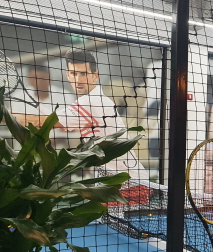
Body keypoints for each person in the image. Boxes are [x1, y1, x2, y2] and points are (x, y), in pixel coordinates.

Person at [12, 49, 149, 181]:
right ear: (67, 75)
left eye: (84, 74)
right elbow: (58, 122)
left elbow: (41, 122)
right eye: (73, 73)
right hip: (111, 178)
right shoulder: (93, 99)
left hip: (128, 182)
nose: (78, 80)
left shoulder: (91, 102)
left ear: (95, 76)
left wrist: (5, 115)